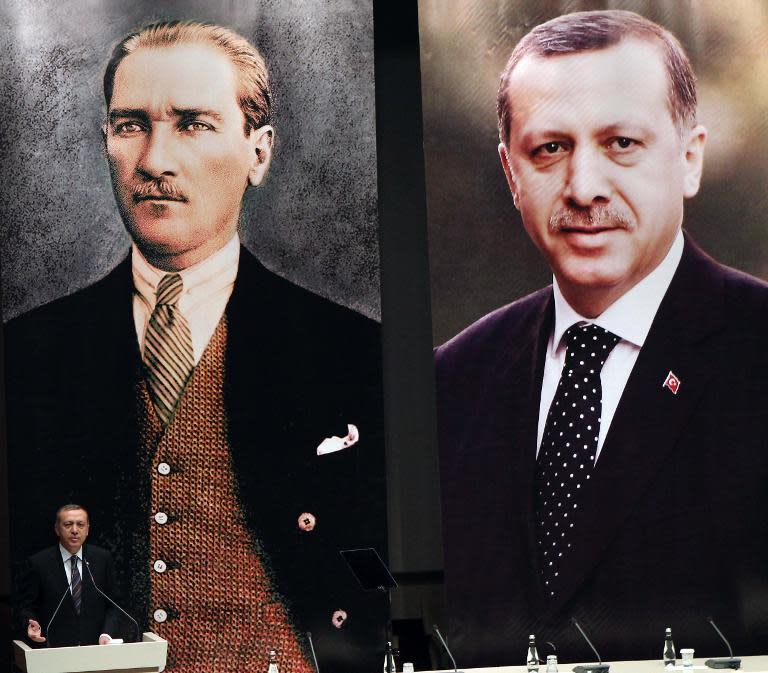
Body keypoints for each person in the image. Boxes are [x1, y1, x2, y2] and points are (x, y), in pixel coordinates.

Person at [5, 21, 385, 673]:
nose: (154, 160)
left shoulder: (351, 352)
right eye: (130, 125)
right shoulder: (24, 353)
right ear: (105, 142)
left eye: (191, 123)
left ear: (258, 152)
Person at [435, 9, 768, 667]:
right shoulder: (455, 380)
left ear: (690, 159)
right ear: (511, 173)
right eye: (550, 149)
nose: (584, 188)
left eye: (621, 143)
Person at [18, 505, 120, 647]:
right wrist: (30, 624)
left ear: (87, 529)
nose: (74, 530)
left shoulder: (102, 559)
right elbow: (26, 607)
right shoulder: (39, 563)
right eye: (68, 524)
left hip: (96, 649)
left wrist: (106, 633)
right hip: (54, 651)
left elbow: (114, 605)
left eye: (80, 525)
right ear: (57, 529)